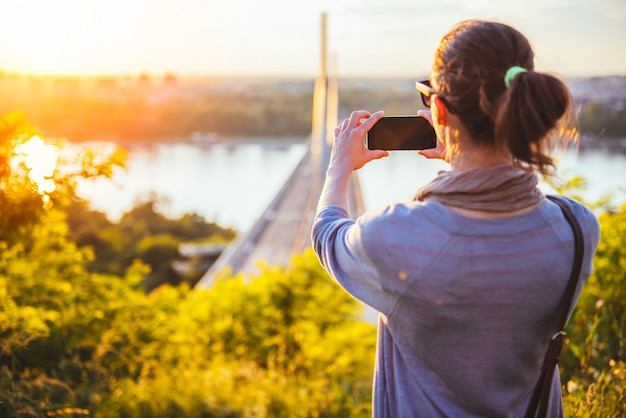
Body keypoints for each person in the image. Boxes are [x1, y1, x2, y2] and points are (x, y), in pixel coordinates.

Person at [311, 19, 600, 417]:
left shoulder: (397, 237)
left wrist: (338, 168)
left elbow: (328, 234)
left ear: (440, 112)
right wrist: (462, 157)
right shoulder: (577, 229)